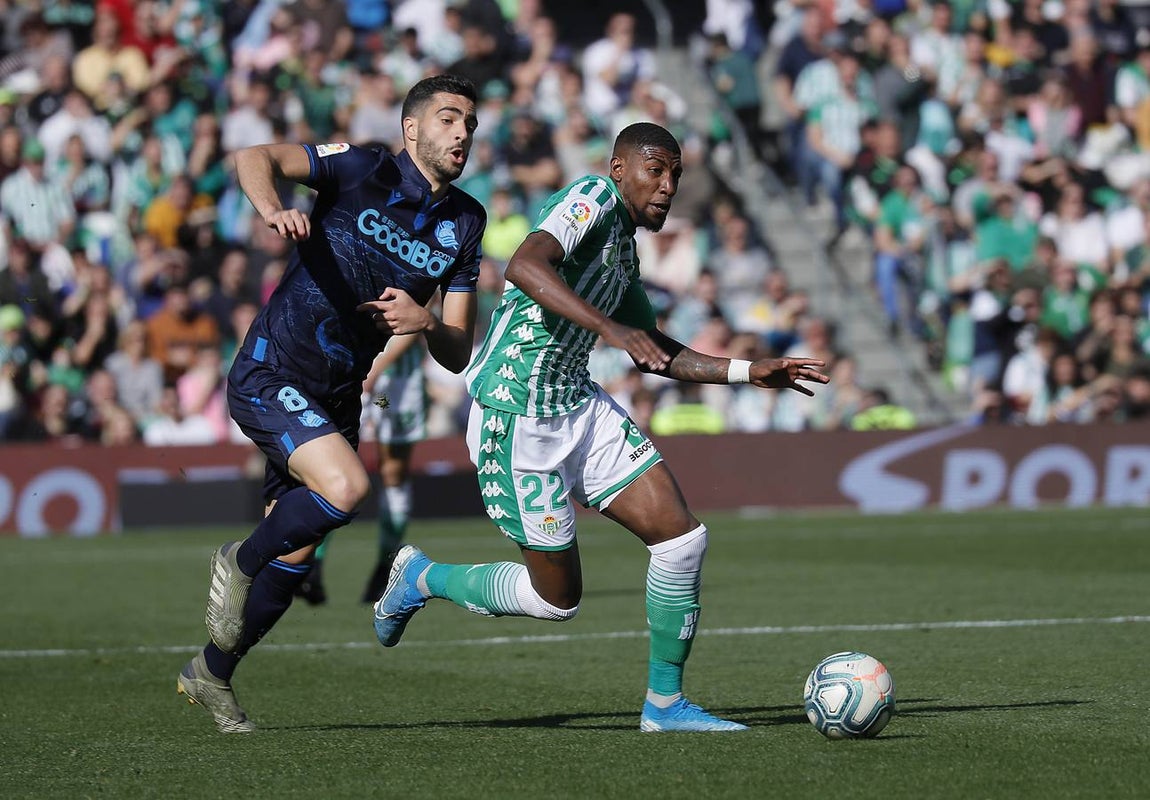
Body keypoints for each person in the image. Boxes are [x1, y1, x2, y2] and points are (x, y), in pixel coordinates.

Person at [371, 122, 828, 732]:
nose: (667, 186)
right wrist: (611, 330)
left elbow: (659, 350)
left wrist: (749, 371)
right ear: (619, 168)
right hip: (515, 415)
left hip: (575, 405)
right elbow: (526, 267)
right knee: (556, 601)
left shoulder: (623, 252)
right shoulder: (590, 197)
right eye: (655, 170)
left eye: (675, 175)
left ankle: (664, 705)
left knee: (681, 540)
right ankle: (423, 577)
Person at [176, 74, 486, 733]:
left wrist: (425, 323)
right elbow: (253, 157)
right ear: (412, 129)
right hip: (273, 367)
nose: (464, 133)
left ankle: (210, 674)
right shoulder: (363, 166)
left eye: (470, 123)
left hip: (339, 398)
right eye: (450, 119)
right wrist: (270, 208)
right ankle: (236, 559)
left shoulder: (466, 222)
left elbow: (458, 350)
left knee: (293, 559)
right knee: (345, 488)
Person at [296, 332, 430, 605]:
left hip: (390, 389)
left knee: (393, 472)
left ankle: (386, 568)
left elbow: (416, 319)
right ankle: (313, 568)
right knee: (332, 464)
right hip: (351, 370)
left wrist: (374, 372)